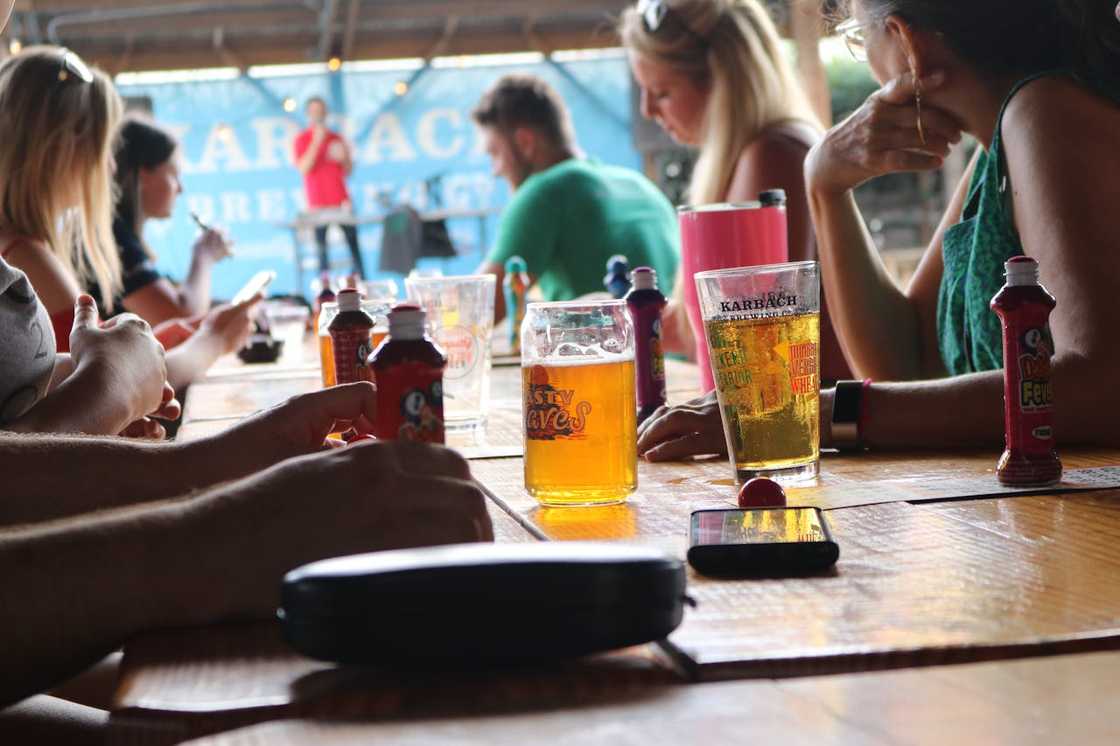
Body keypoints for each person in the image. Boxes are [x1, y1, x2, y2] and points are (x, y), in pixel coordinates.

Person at [637, 0, 1120, 461]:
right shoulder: (993, 155)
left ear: (905, 42)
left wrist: (813, 413)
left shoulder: (1045, 112)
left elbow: (1102, 385)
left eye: (855, 38)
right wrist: (825, 185)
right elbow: (906, 360)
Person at [0, 47, 257, 391]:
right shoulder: (27, 256)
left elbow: (82, 370)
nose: (110, 167)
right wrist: (212, 341)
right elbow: (109, 388)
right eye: (104, 148)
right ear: (64, 149)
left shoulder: (24, 248)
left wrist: (155, 344)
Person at [620, 0, 850, 383]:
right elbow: (705, 330)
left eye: (660, 92)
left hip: (811, 429)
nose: (647, 110)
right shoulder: (764, 150)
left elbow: (748, 341)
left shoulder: (772, 156)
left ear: (721, 81)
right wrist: (618, 316)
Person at [472, 74, 679, 322]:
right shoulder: (639, 184)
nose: (495, 170)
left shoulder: (544, 192)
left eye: (495, 153)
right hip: (674, 355)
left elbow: (478, 310)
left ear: (525, 142)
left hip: (615, 358)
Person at [105, 116, 232, 325]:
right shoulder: (115, 239)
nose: (180, 189)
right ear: (144, 175)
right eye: (174, 175)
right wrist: (204, 256)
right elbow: (180, 320)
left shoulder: (119, 233)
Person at [293, 96, 365, 279]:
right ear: (308, 114)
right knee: (321, 250)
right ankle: (324, 290)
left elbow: (348, 170)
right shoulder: (302, 139)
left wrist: (344, 159)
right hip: (317, 203)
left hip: (341, 200)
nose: (318, 115)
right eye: (314, 111)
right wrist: (316, 142)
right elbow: (304, 168)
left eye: (321, 111)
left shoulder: (337, 138)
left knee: (353, 246)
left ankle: (361, 282)